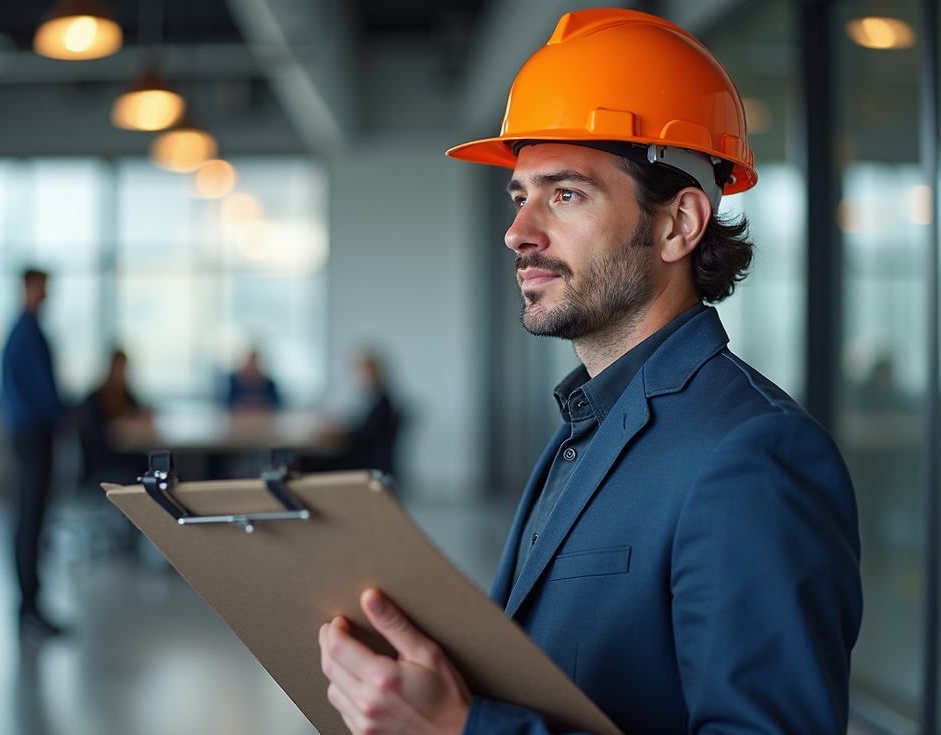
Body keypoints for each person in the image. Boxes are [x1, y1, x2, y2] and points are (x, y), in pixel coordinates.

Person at [318, 8, 862, 735]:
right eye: (520, 196)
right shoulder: (591, 423)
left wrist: (464, 729)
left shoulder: (753, 454)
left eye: (565, 194)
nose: (518, 231)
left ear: (678, 223)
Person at [0, 268, 68, 638]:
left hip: (27, 432)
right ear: (28, 287)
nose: (47, 293)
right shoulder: (27, 333)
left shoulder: (23, 330)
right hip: (32, 434)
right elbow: (43, 392)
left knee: (30, 516)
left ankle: (29, 605)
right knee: (31, 518)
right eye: (42, 286)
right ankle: (29, 608)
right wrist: (67, 415)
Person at [78, 348, 148, 487]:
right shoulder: (95, 399)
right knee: (139, 467)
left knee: (151, 464)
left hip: (127, 452)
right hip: (105, 458)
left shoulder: (126, 395)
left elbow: (138, 415)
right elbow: (97, 433)